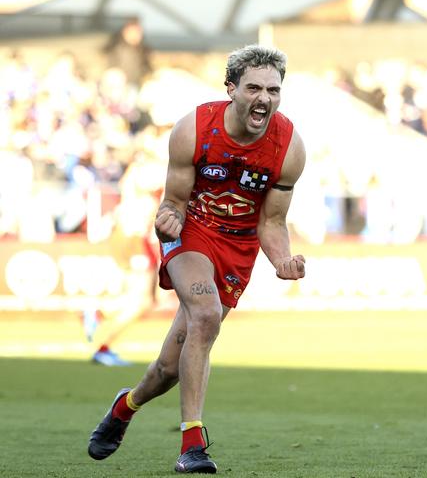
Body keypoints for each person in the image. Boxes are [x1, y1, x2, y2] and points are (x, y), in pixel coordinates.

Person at [87, 44, 306, 473]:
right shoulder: (194, 128)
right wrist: (166, 221)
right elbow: (173, 202)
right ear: (231, 88)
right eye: (254, 88)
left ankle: (125, 407)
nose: (265, 98)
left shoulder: (289, 147)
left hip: (239, 247)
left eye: (274, 90)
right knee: (204, 314)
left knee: (169, 367)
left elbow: (273, 221)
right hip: (193, 233)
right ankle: (192, 445)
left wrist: (282, 260)